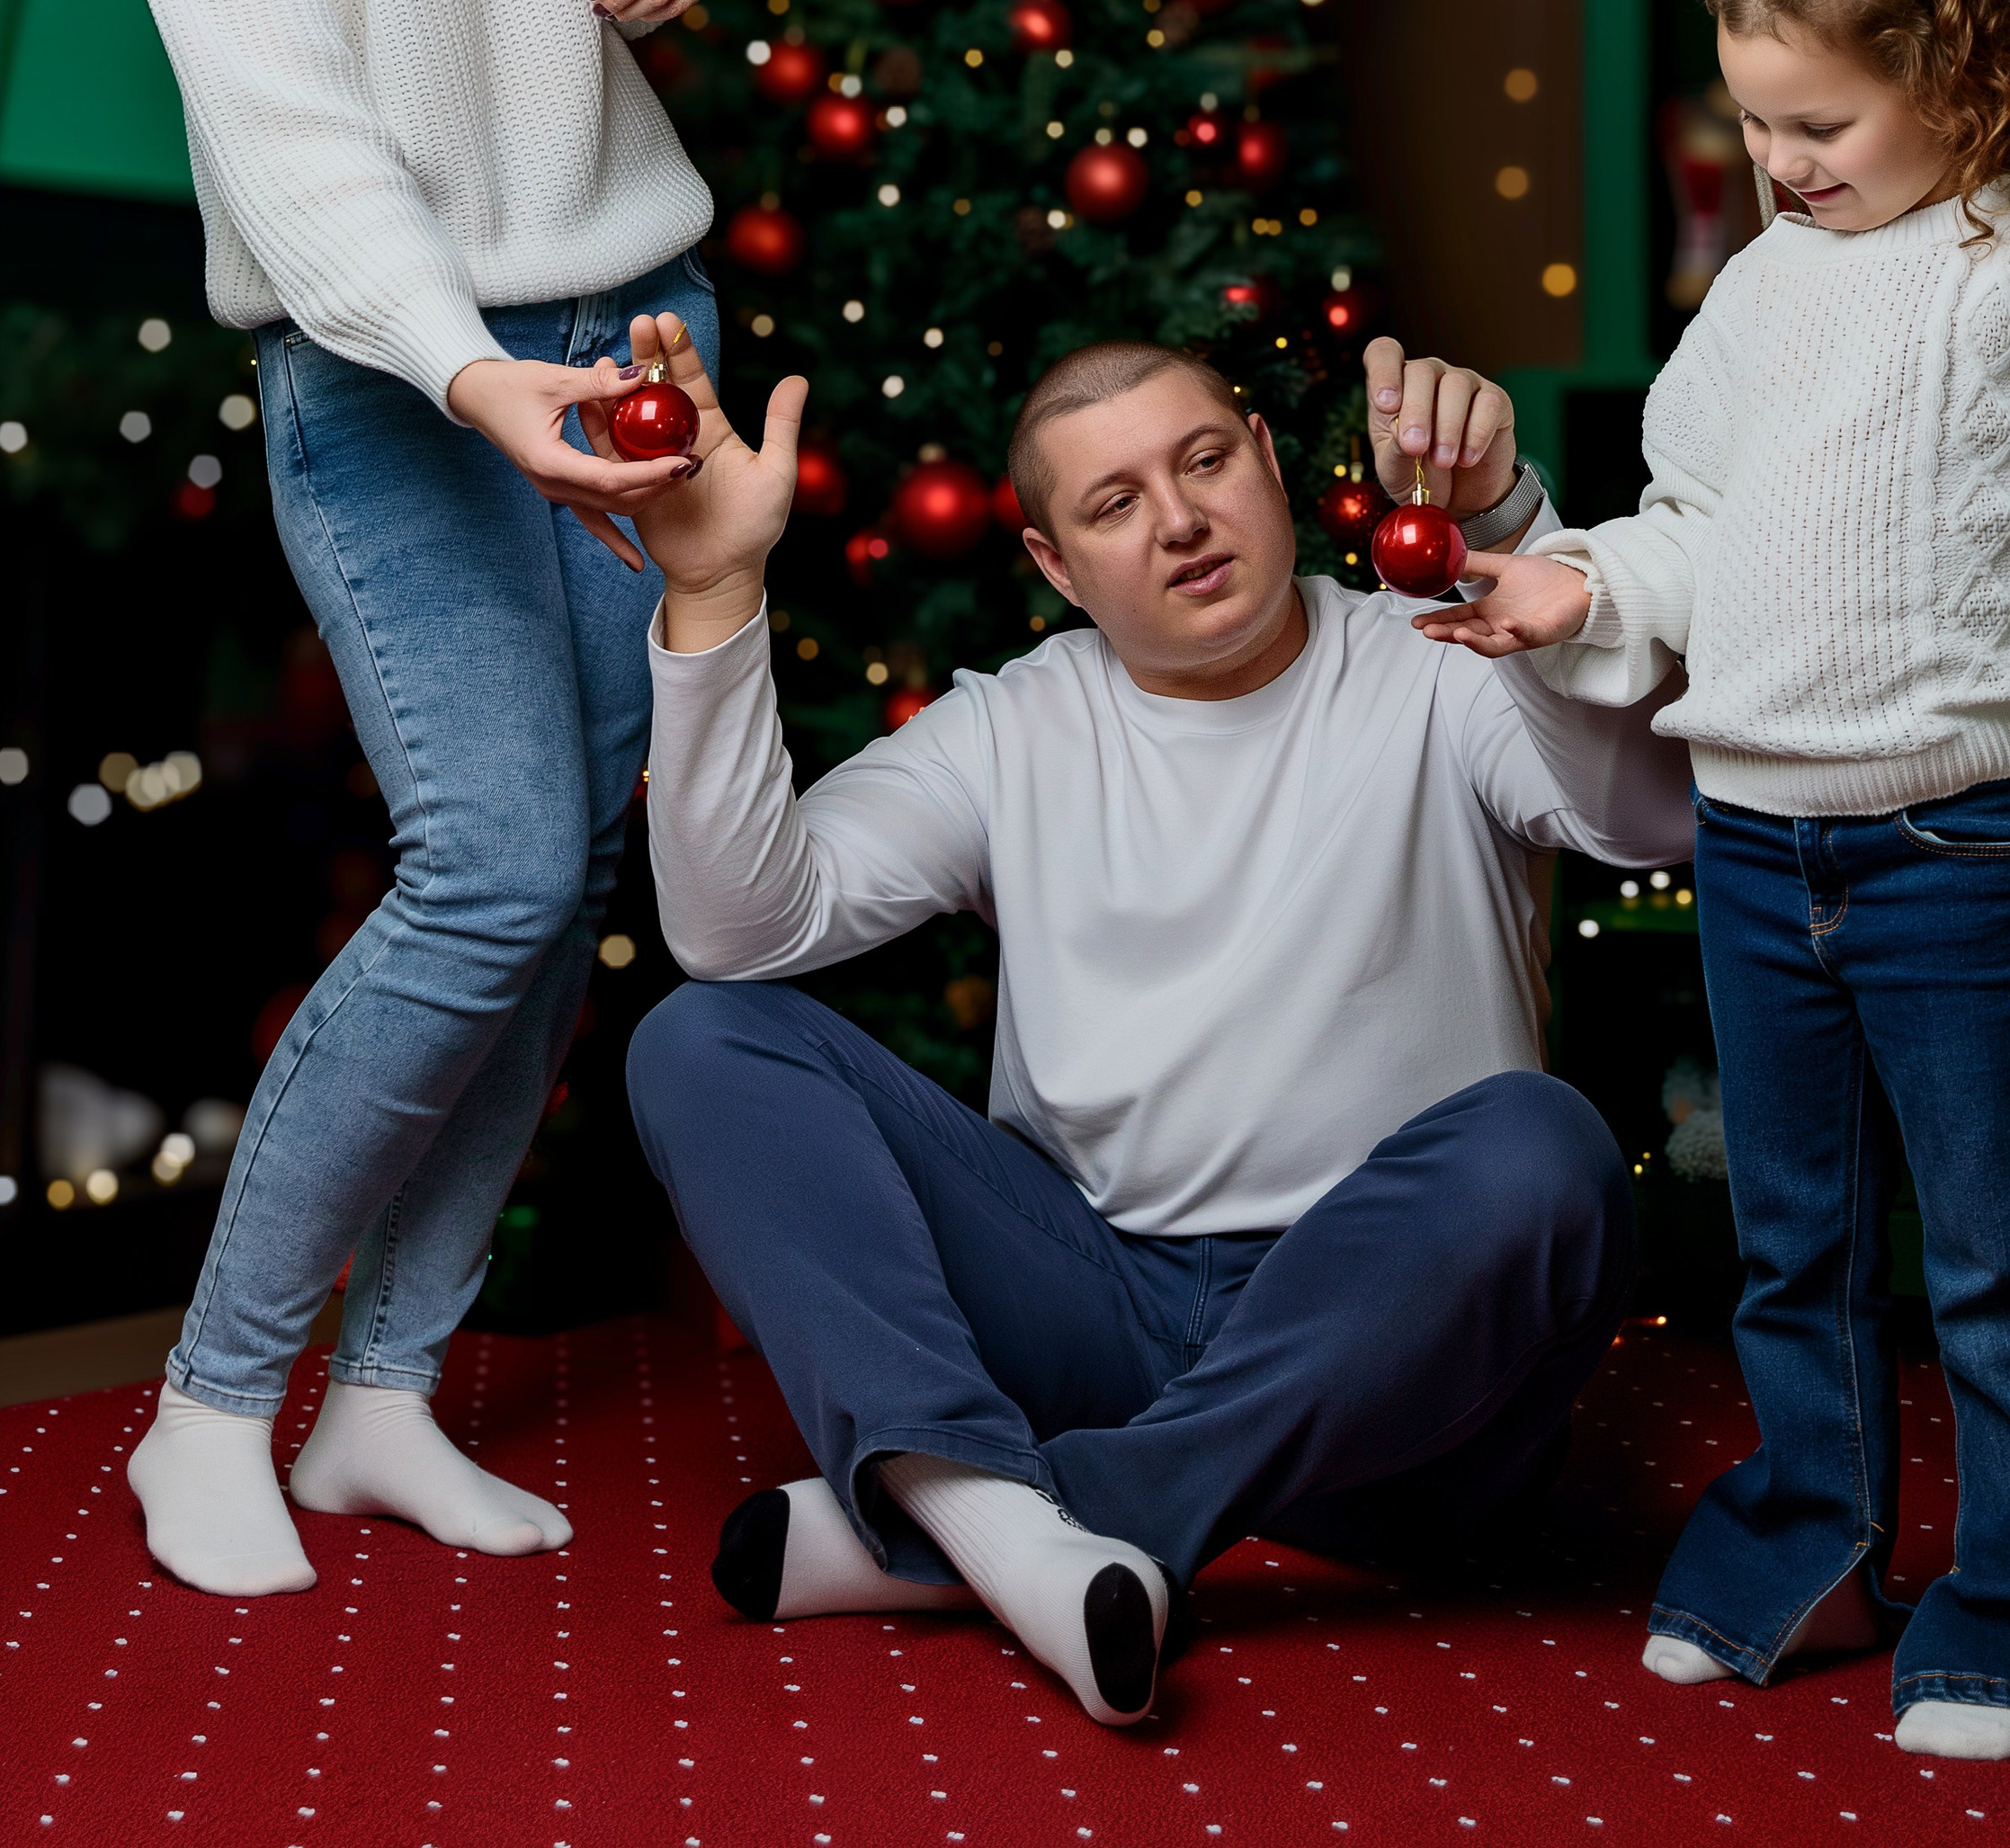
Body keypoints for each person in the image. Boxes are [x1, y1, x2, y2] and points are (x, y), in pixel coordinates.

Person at [30, 0, 720, 1598]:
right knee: (495, 862)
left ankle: (392, 1395)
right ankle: (220, 1401)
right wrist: (467, 378)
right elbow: (296, 139)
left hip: (639, 318)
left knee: (566, 893)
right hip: (389, 363)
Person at [1425, 0, 2010, 1763]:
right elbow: (1703, 520)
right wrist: (1583, 584)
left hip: (1949, 843)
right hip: (1748, 837)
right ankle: (1801, 1552)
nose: (1778, 162)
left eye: (1814, 119)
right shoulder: (1765, 287)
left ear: (1950, 73)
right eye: (1751, 122)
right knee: (1784, 1238)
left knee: (1988, 1242)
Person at [610, 316, 1693, 1729]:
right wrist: (715, 583)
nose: (1181, 520)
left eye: (1203, 462)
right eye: (1115, 504)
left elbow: (1643, 814)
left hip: (1391, 1374)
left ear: (1268, 462)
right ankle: (1018, 1510)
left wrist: (1505, 517)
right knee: (700, 1040)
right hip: (1099, 1314)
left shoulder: (1439, 656)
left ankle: (990, 1526)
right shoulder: (1013, 727)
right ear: (1056, 568)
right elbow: (740, 927)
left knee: (1543, 1149)